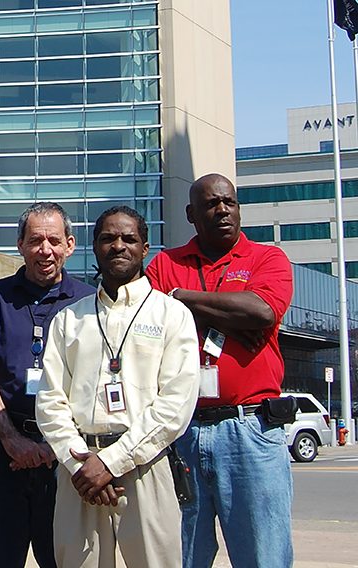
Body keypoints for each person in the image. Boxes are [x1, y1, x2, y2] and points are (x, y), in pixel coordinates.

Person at [36, 206, 200, 568]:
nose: (118, 246)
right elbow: (50, 401)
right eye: (108, 239)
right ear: (94, 247)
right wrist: (81, 464)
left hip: (146, 466)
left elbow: (175, 404)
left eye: (129, 238)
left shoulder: (171, 315)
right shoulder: (68, 319)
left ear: (145, 249)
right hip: (79, 472)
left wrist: (111, 462)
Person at [145, 173, 295, 568]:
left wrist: (180, 299)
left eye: (229, 202)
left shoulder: (268, 258)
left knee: (264, 557)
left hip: (251, 432)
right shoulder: (165, 263)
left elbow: (262, 312)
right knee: (181, 556)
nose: (223, 210)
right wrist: (231, 314)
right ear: (192, 213)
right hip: (182, 431)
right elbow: (148, 320)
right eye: (211, 204)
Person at [0, 202, 95, 568]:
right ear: (20, 245)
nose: (46, 250)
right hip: (2, 454)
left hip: (67, 459)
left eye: (55, 241)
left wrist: (55, 444)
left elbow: (94, 382)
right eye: (36, 240)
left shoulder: (89, 303)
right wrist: (12, 439)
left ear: (70, 245)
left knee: (63, 558)